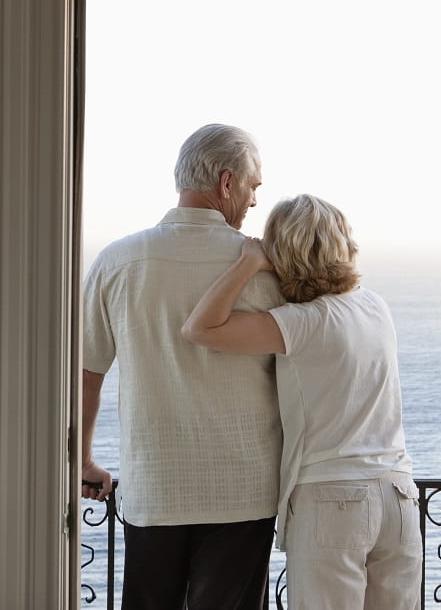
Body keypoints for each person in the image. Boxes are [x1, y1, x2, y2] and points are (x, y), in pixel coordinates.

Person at [80, 124, 285, 609]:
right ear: (227, 182)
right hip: (244, 488)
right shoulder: (262, 265)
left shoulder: (117, 261)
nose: (255, 202)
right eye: (254, 187)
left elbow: (87, 372)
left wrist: (81, 460)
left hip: (155, 486)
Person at [182, 194, 420, 609]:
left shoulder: (301, 324)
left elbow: (199, 328)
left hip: (334, 499)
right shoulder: (375, 307)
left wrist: (249, 262)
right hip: (399, 495)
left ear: (282, 252)